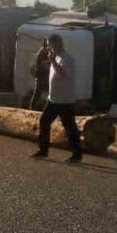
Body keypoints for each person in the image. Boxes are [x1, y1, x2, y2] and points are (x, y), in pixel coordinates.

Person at [32, 34, 82, 163]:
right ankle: (43, 151)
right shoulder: (56, 57)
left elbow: (62, 75)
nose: (49, 47)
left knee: (70, 127)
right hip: (53, 99)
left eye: (50, 45)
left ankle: (77, 154)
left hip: (65, 101)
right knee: (44, 121)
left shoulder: (67, 58)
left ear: (57, 44)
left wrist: (52, 61)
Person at [28, 41, 50, 111]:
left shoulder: (48, 52)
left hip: (46, 77)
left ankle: (47, 110)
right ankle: (31, 109)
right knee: (36, 95)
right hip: (41, 77)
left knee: (51, 95)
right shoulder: (41, 53)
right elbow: (42, 64)